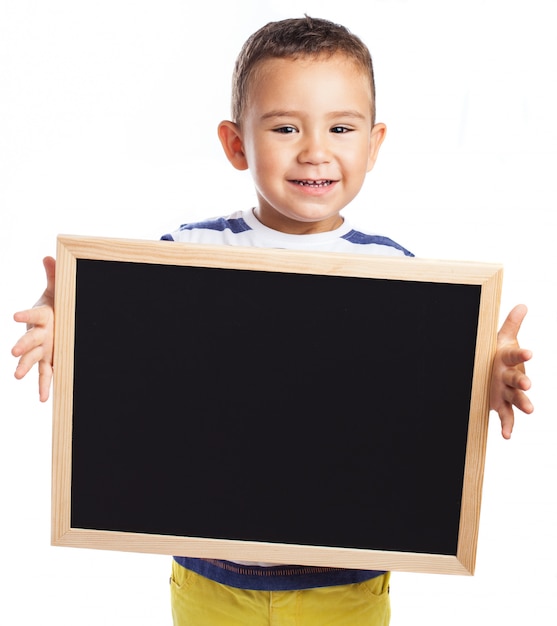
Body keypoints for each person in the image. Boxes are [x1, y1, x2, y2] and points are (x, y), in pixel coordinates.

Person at [12, 15, 533, 626]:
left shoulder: (397, 274)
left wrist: (479, 378)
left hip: (346, 582)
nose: (315, 150)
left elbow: (411, 411)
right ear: (237, 144)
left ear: (374, 143)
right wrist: (66, 328)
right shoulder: (184, 253)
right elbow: (132, 357)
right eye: (285, 126)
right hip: (211, 574)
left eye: (341, 127)